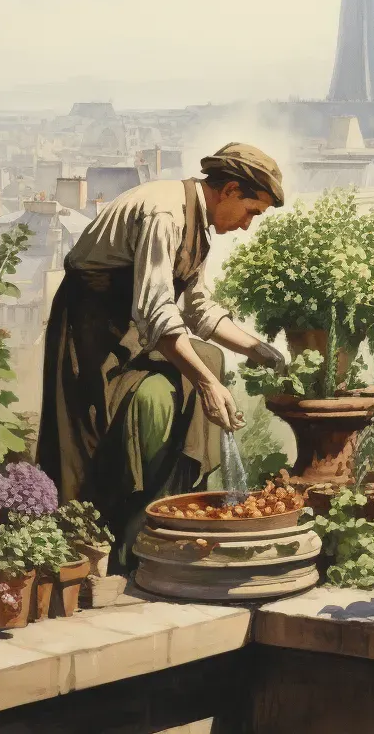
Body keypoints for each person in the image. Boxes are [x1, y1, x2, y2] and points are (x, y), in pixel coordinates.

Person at [36, 142, 286, 568]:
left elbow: (196, 309)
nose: (247, 225)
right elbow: (156, 311)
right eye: (251, 212)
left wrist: (259, 350)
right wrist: (208, 386)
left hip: (131, 333)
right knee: (172, 391)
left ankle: (167, 506)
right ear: (228, 190)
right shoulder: (166, 214)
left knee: (209, 361)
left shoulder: (197, 222)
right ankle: (129, 524)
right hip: (92, 338)